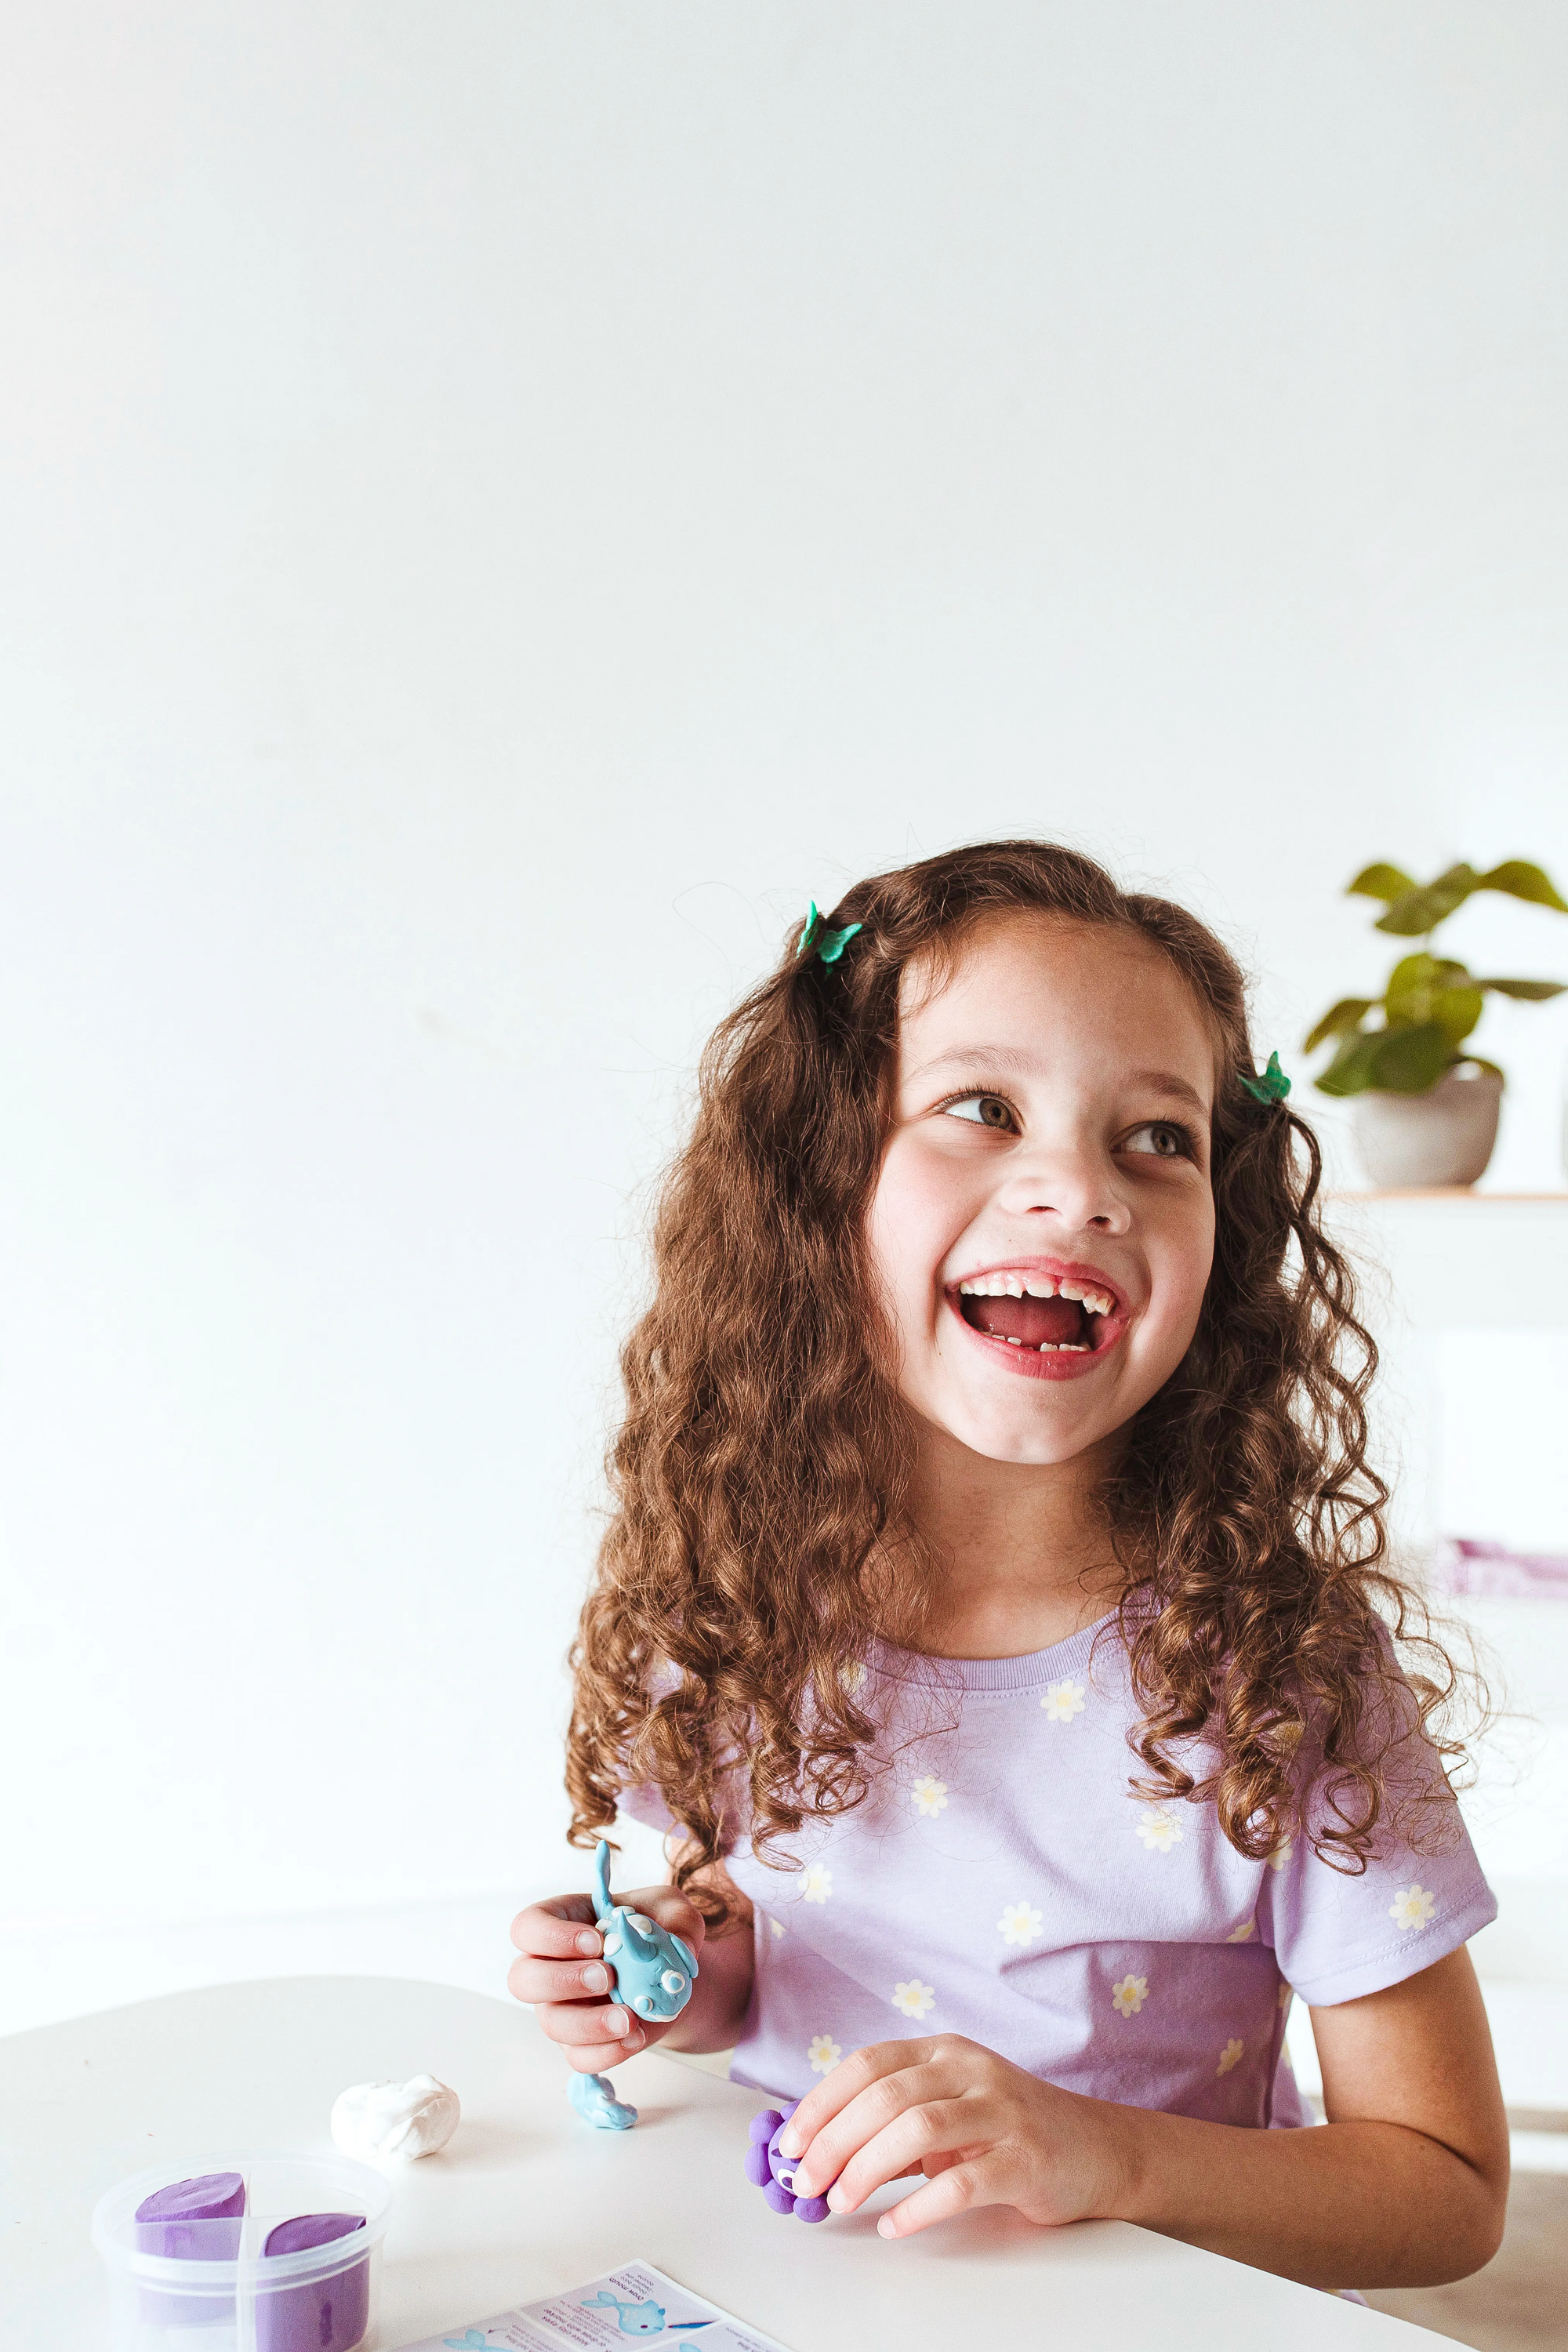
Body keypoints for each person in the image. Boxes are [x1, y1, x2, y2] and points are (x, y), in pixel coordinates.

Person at [508, 840, 1507, 2292]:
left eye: (1156, 1137)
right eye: (984, 1108)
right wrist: (669, 1975)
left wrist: (1102, 2157)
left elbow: (1446, 2194)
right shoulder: (733, 1604)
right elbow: (771, 1957)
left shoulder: (1280, 1671)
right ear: (819, 1181)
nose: (1081, 1188)